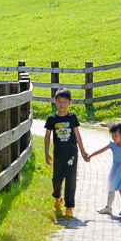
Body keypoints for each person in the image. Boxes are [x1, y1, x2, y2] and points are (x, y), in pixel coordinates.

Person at [44, 89, 88, 218]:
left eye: (65, 102)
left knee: (70, 179)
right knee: (56, 179)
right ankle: (58, 198)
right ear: (55, 102)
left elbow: (77, 135)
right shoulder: (51, 119)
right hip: (58, 155)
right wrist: (46, 153)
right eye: (60, 102)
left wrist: (83, 150)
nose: (62, 105)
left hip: (71, 154)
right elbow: (47, 136)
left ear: (70, 103)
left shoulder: (72, 117)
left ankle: (69, 207)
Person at [87, 123, 121, 216]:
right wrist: (91, 155)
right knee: (112, 187)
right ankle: (108, 207)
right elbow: (102, 150)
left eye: (116, 136)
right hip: (115, 169)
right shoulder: (112, 144)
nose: (114, 137)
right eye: (113, 135)